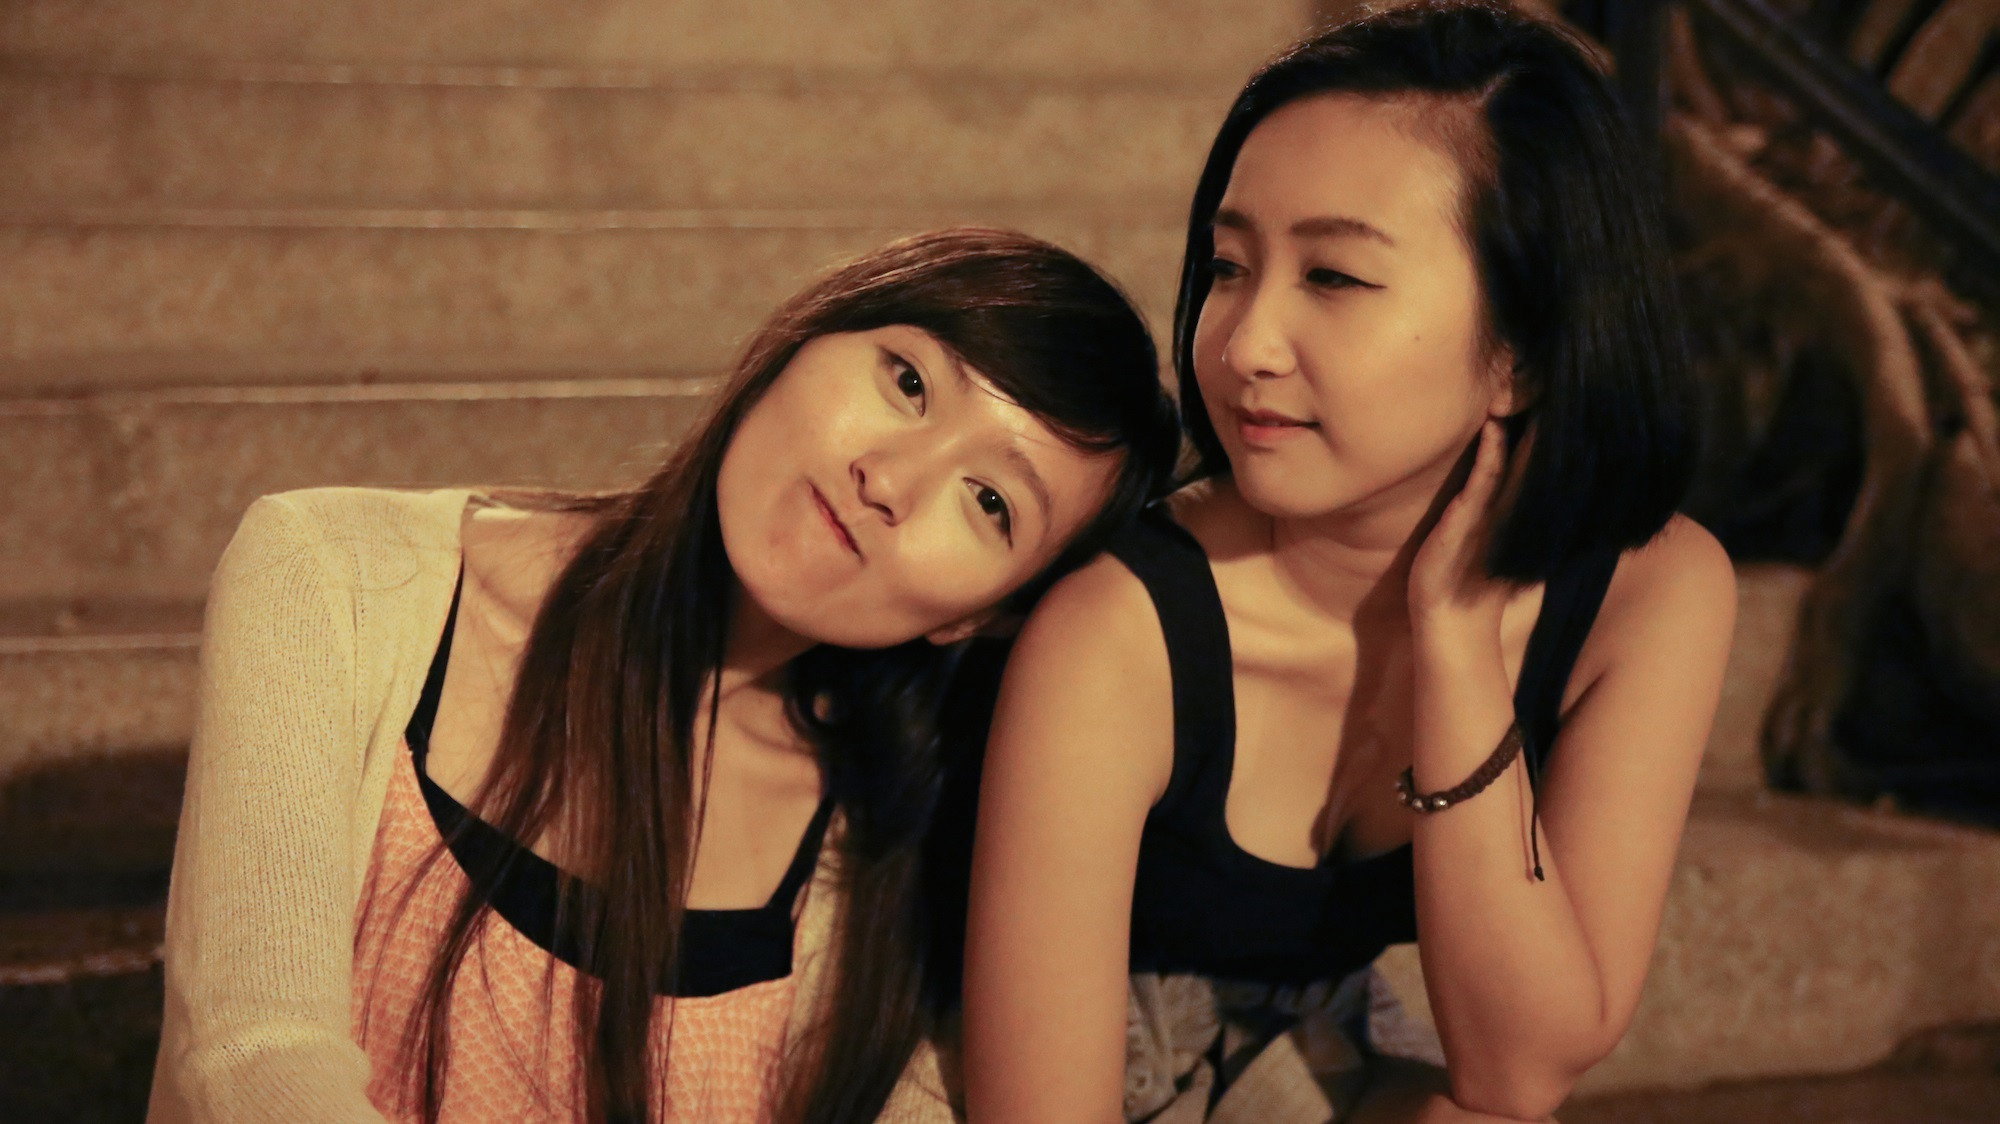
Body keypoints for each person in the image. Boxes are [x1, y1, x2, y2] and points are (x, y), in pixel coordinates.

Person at [146, 227, 1181, 1124]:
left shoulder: (879, 855)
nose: (890, 480)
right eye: (908, 382)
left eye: (990, 501)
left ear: (978, 617)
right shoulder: (337, 575)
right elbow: (254, 1060)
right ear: (807, 335)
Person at [962, 4, 1736, 1121]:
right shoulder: (1119, 628)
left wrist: (1457, 642)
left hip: (1295, 1047)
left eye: (1332, 276)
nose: (1243, 343)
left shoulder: (1652, 592)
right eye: (1228, 265)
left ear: (1520, 350)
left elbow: (1518, 1072)